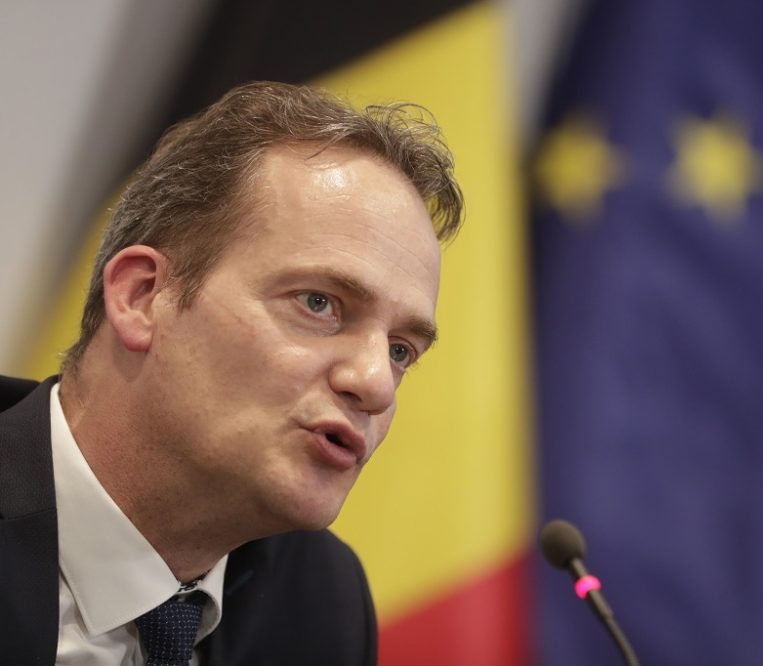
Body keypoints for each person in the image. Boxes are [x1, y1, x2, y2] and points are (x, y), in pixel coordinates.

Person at [0, 81, 463, 664]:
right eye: (319, 303)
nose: (373, 384)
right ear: (144, 297)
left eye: (400, 350)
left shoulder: (320, 604)